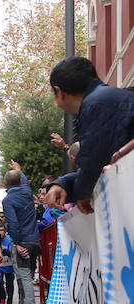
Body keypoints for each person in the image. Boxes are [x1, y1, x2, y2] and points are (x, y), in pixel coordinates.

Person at [44, 57, 134, 214]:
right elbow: (96, 165)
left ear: (59, 92)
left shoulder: (98, 104)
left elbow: (94, 164)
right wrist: (63, 184)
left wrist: (82, 192)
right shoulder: (108, 99)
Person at [1, 160, 41, 304]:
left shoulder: (8, 200)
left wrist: (16, 243)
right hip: (35, 241)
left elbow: (13, 223)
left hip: (22, 241)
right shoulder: (26, 190)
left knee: (24, 278)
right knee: (26, 276)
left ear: (6, 184)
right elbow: (23, 179)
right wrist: (18, 169)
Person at [0, 223, 14, 304]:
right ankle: (2, 300)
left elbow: (12, 253)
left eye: (2, 230)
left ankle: (9, 302)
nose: (0, 232)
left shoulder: (9, 240)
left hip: (9, 266)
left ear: (5, 231)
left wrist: (4, 250)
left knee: (9, 285)